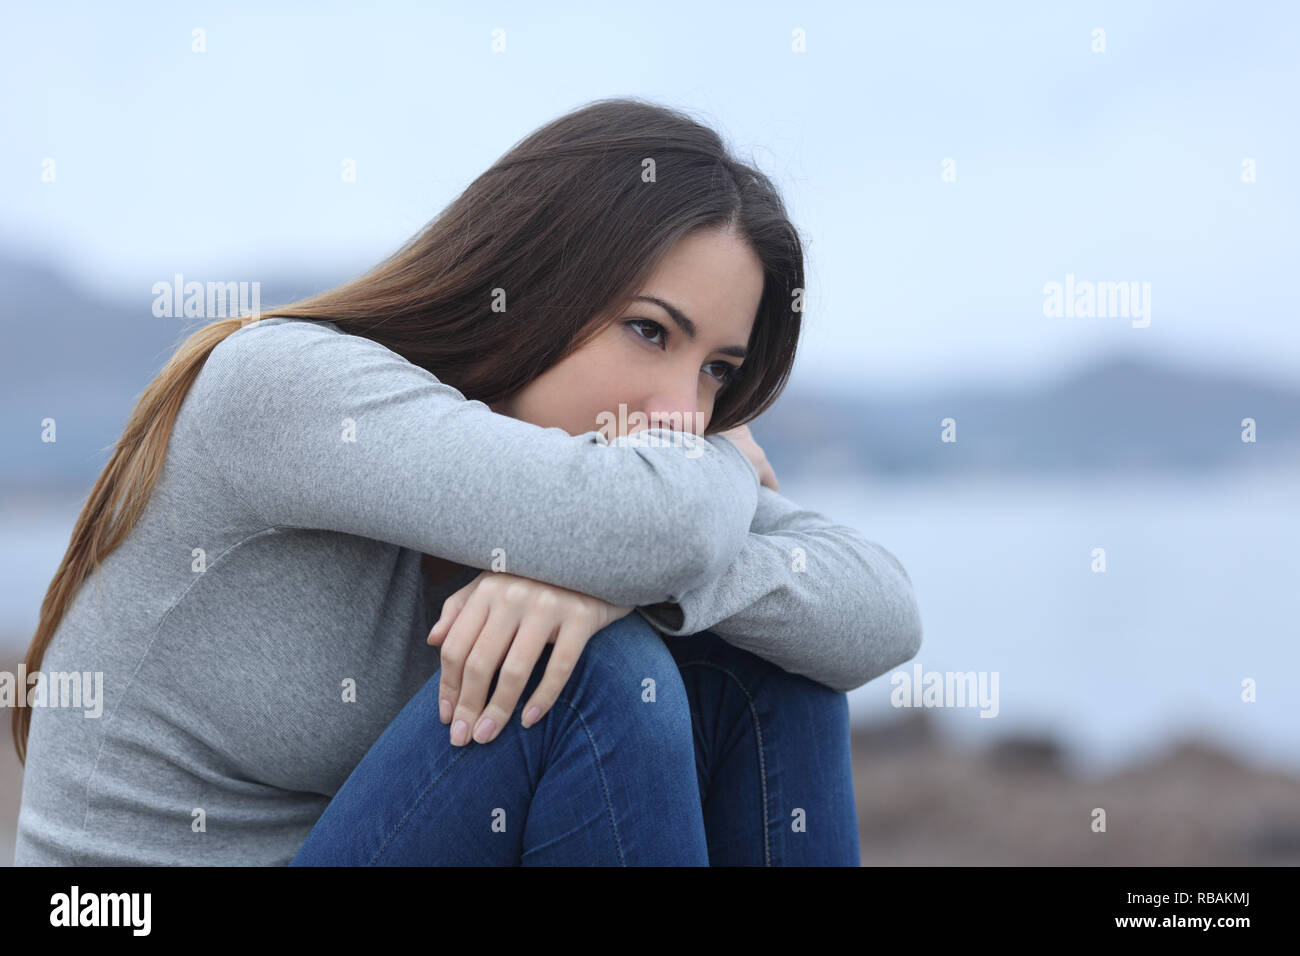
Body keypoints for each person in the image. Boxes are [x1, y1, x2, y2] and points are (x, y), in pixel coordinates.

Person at [12, 97, 923, 866]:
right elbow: (663, 526)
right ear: (530, 282)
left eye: (718, 372)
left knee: (770, 667)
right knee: (586, 675)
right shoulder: (285, 388)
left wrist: (622, 584)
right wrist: (712, 470)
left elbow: (882, 614)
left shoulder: (609, 476)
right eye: (651, 331)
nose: (681, 409)